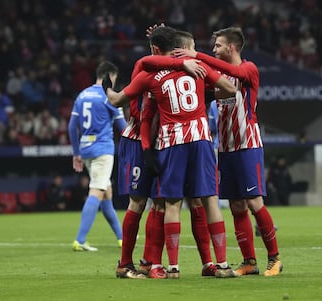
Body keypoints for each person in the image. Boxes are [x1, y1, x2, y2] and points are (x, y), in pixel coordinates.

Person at [104, 26, 238, 279]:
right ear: (180, 50)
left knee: (168, 203)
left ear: (156, 49)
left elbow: (123, 94)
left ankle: (167, 265)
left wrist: (107, 88)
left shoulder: (148, 72)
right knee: (160, 202)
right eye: (192, 48)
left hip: (166, 142)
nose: (196, 52)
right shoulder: (193, 68)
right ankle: (144, 264)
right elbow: (230, 87)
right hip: (156, 141)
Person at [174, 26, 283, 276]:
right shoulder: (219, 78)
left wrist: (197, 56)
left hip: (248, 145)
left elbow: (233, 71)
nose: (214, 49)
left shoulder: (248, 69)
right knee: (236, 205)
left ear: (231, 47)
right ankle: (249, 261)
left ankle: (274, 258)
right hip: (225, 147)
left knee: (255, 202)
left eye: (218, 45)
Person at [68, 61, 126, 252]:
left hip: (85, 150)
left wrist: (76, 153)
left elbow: (71, 126)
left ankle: (122, 238)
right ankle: (80, 240)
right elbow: (123, 128)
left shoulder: (82, 95)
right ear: (110, 77)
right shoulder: (109, 97)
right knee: (96, 191)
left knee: (106, 193)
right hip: (102, 150)